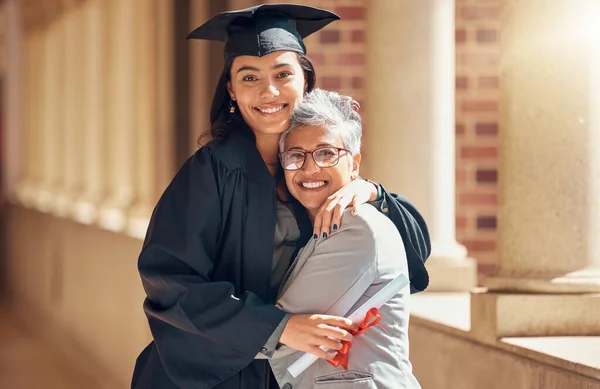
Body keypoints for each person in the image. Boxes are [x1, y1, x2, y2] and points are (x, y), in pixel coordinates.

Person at [131, 4, 430, 389]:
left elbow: (411, 250)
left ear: (305, 80)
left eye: (282, 74)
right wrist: (278, 328)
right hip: (211, 377)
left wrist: (370, 191)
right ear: (231, 90)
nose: (267, 91)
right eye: (249, 76)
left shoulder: (318, 166)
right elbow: (168, 279)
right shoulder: (212, 171)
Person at [267, 88, 421, 388]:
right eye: (295, 156)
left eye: (326, 153)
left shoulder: (356, 226)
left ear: (354, 163)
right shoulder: (304, 227)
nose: (310, 168)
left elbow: (284, 327)